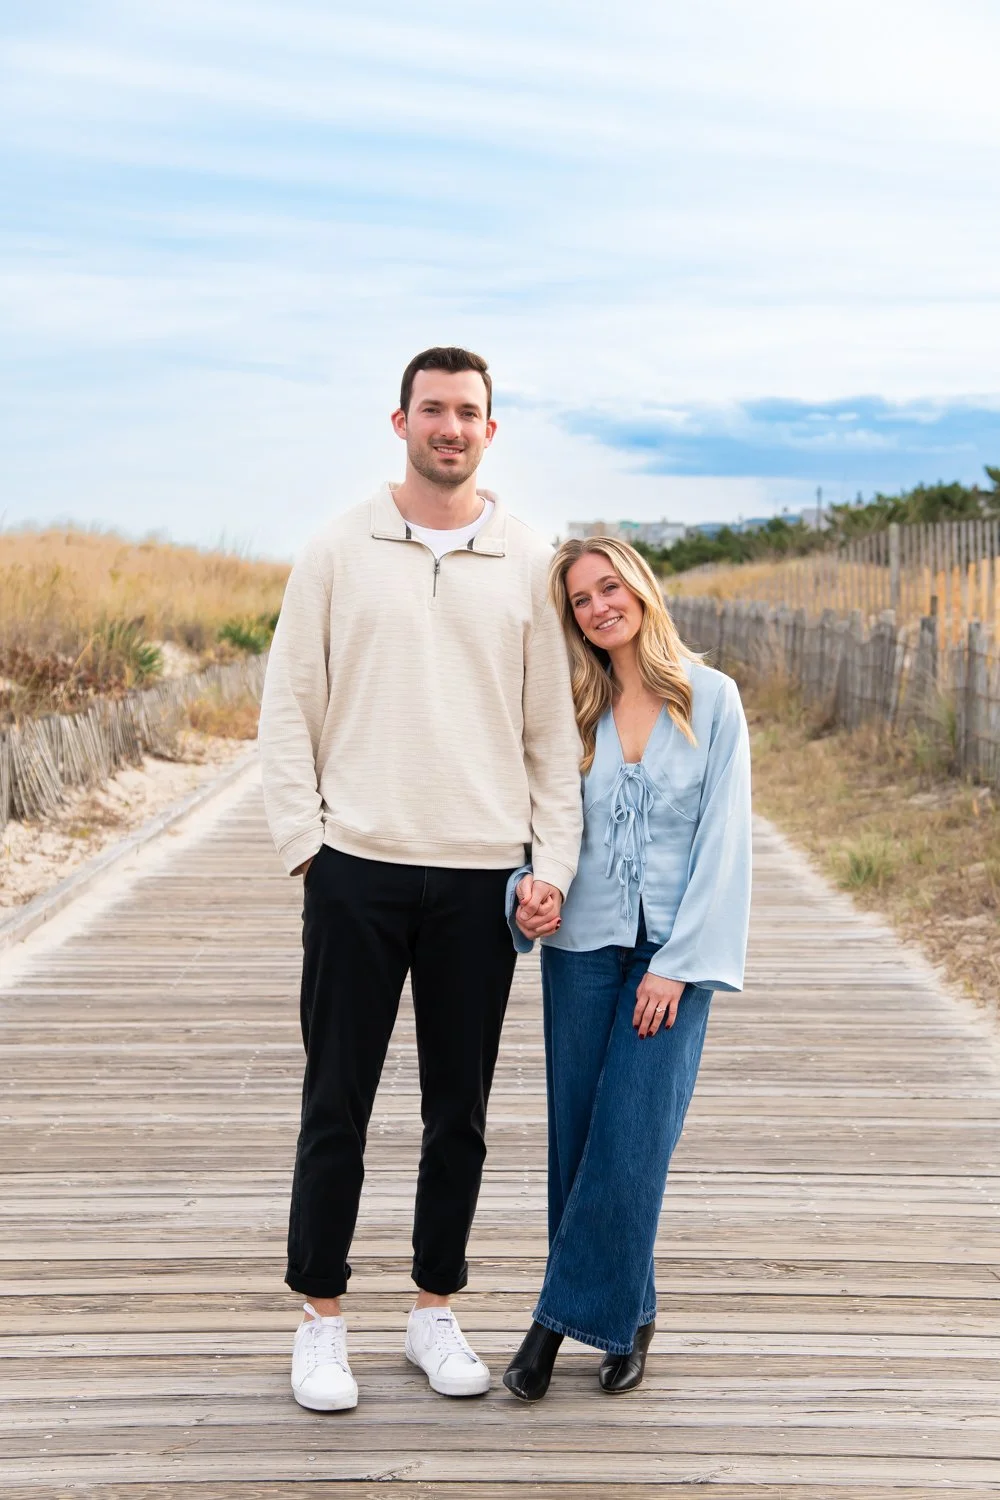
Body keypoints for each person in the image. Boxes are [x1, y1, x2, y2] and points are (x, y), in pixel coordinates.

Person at [257, 347, 582, 1412]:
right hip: (357, 869)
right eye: (432, 409)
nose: (450, 426)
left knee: (461, 1111)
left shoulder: (530, 559)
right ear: (398, 419)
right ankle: (320, 1323)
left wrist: (553, 863)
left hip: (482, 876)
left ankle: (433, 1311)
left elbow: (548, 737)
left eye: (468, 412)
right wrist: (305, 844)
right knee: (334, 1103)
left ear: (493, 429)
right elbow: (289, 706)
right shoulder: (338, 550)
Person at [501, 536, 752, 1401]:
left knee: (634, 1134)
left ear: (641, 588)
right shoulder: (573, 708)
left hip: (669, 957)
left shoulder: (711, 700)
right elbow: (532, 826)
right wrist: (523, 892)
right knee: (580, 1138)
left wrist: (677, 966)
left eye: (610, 587)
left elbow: (726, 845)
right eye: (580, 599)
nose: (599, 606)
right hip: (580, 947)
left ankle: (547, 1325)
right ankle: (632, 1315)